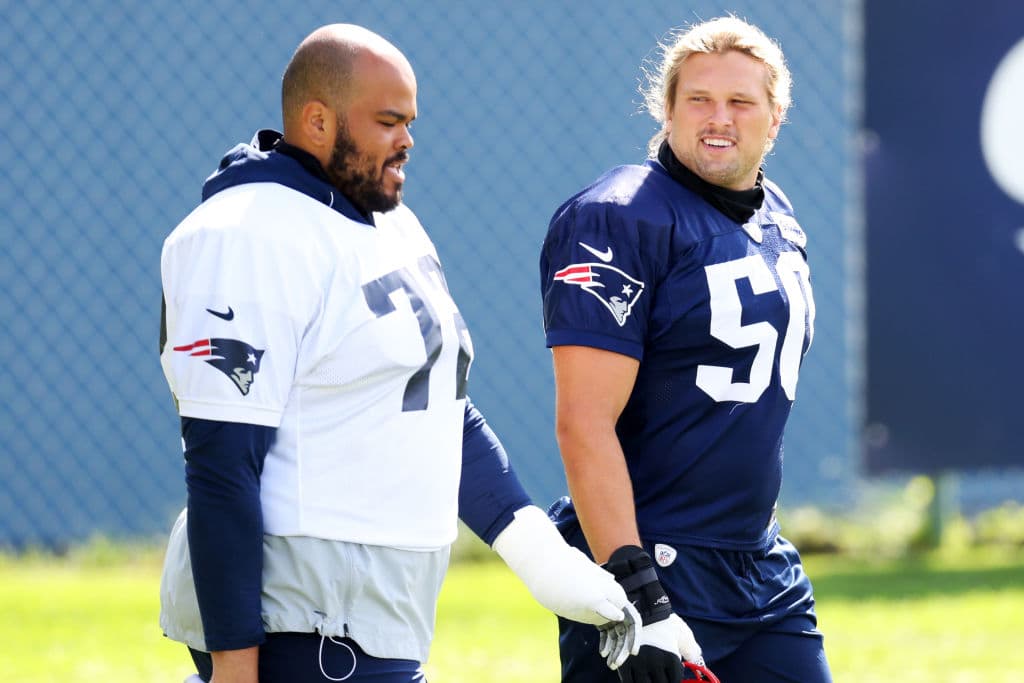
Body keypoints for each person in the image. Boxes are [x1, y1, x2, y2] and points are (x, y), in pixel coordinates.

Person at [158, 23, 637, 683]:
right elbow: (222, 469)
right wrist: (236, 671)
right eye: (388, 121)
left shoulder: (388, 221)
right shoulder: (246, 234)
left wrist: (541, 558)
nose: (408, 139)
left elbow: (440, 407)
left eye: (410, 121)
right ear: (318, 122)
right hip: (306, 621)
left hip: (377, 617)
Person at [539, 16, 833, 683]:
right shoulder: (616, 218)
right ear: (667, 110)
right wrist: (637, 588)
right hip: (653, 562)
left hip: (757, 561)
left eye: (740, 102)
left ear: (775, 117)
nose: (717, 118)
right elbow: (583, 422)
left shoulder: (775, 213)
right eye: (698, 99)